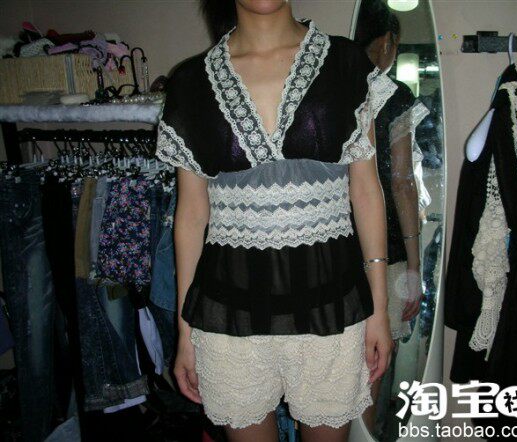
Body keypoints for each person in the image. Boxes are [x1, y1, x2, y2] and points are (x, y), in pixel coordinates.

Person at [155, 1, 398, 441]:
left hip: (332, 310)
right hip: (228, 317)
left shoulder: (346, 64)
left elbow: (366, 190)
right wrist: (185, 330)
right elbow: (190, 215)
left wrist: (379, 309)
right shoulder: (190, 83)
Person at [354, 0, 429, 437]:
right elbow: (402, 183)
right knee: (376, 365)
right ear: (386, 43)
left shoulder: (333, 85)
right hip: (388, 250)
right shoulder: (394, 95)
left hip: (335, 248)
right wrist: (415, 266)